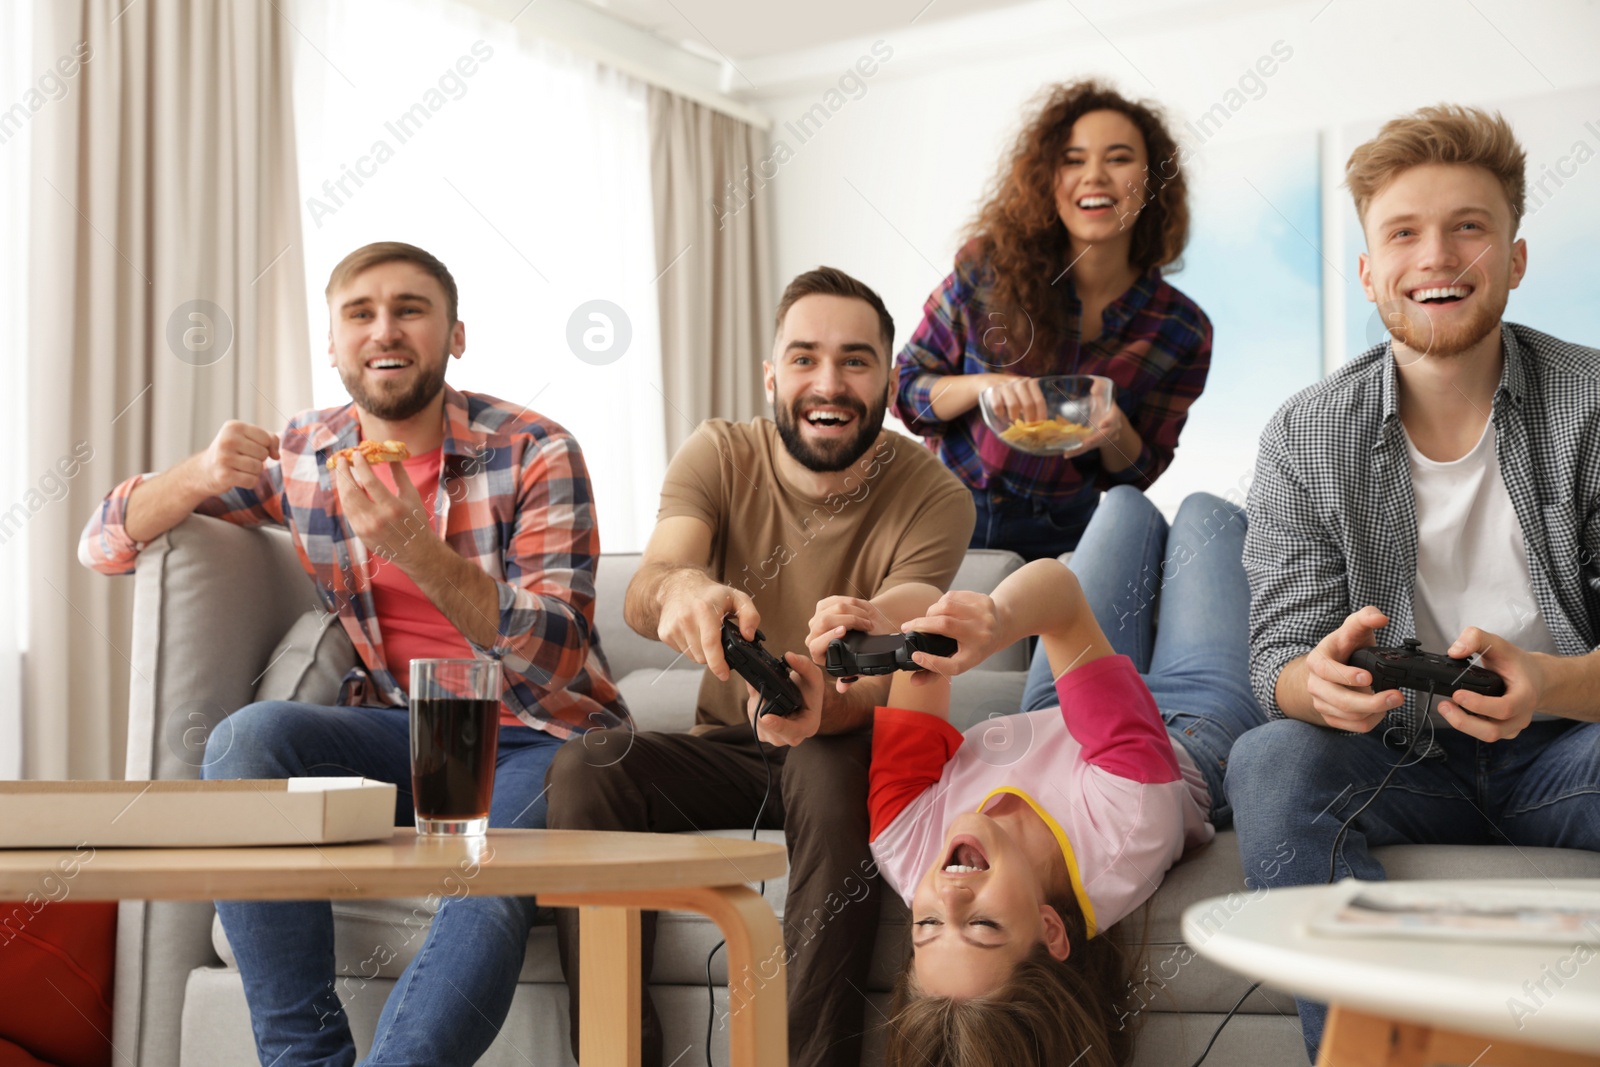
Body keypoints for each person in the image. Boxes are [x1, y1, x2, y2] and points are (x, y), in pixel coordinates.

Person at [79, 241, 627, 1067]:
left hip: (538, 736)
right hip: (408, 732)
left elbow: (554, 653)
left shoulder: (536, 450)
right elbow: (103, 542)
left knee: (484, 877)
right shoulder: (306, 456)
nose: (386, 330)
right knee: (244, 741)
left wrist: (418, 549)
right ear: (332, 343)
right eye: (360, 314)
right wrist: (195, 474)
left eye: (411, 309)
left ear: (455, 335)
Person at [1227, 104, 1600, 1063]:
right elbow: (1274, 658)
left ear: (1514, 258)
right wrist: (1322, 684)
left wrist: (1551, 684)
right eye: (1404, 232)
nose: (1438, 256)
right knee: (1269, 761)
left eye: (1469, 227)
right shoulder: (1305, 434)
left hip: (1568, 751)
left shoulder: (1594, 404)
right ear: (1369, 271)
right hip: (1396, 762)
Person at [543, 266, 975, 1067]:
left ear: (887, 379)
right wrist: (684, 589)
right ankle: (615, 1055)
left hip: (842, 746)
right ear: (772, 375)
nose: (830, 381)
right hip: (731, 747)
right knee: (587, 766)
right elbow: (650, 582)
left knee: (827, 759)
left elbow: (896, 658)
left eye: (856, 360)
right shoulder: (718, 452)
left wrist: (827, 702)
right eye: (805, 358)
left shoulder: (936, 495)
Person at [754, 486, 1266, 1067]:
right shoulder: (1126, 832)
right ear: (1051, 930)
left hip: (1054, 703)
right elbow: (1060, 598)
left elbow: (927, 612)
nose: (949, 892)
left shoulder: (903, 840)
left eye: (925, 924)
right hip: (1196, 719)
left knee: (1122, 501)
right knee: (1206, 511)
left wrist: (881, 619)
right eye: (980, 924)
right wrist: (995, 624)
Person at [894, 79, 1212, 561]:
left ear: (1151, 180)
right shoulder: (985, 270)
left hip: (1065, 537)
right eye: (1073, 159)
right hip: (944, 513)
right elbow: (904, 391)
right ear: (1048, 179)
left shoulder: (1180, 328)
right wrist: (985, 388)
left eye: (1119, 158)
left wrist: (1113, 430)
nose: (1095, 176)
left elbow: (1138, 474)